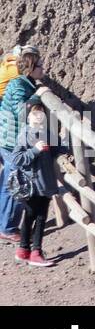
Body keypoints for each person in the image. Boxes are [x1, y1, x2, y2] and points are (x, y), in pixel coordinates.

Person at [12, 102, 65, 267]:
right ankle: (35, 252)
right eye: (35, 113)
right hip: (32, 184)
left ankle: (25, 250)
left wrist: (66, 141)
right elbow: (17, 158)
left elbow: (58, 150)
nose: (38, 116)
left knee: (36, 216)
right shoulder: (24, 135)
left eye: (41, 112)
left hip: (46, 183)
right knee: (35, 217)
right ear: (28, 116)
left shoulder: (47, 133)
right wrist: (34, 150)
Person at [0, 46, 41, 243]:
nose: (43, 69)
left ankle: (4, 222)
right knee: (15, 183)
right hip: (11, 141)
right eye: (40, 65)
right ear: (31, 68)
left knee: (9, 179)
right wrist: (36, 96)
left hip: (8, 138)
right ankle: (8, 228)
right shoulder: (18, 85)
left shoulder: (20, 81)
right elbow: (21, 112)